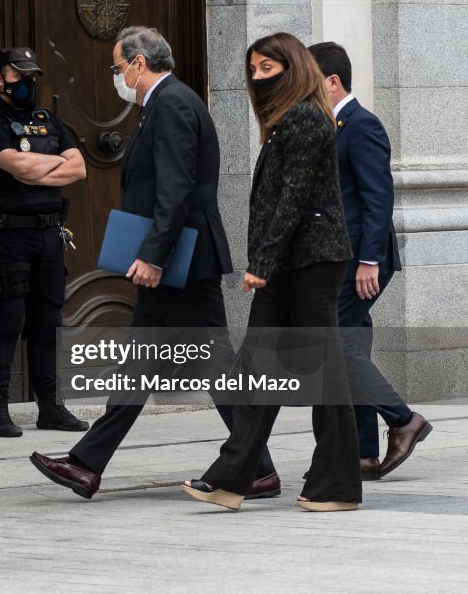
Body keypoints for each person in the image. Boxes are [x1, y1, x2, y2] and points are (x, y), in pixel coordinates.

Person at [30, 26, 277, 500]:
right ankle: (86, 464)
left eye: (118, 68)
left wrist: (153, 255)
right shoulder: (161, 105)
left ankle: (257, 467)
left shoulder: (174, 104)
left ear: (139, 64)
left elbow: (176, 188)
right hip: (172, 259)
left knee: (214, 364)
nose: (117, 77)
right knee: (138, 365)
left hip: (182, 259)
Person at [183, 32, 361, 512]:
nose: (260, 78)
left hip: (310, 262)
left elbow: (294, 199)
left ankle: (337, 484)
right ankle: (233, 477)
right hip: (289, 262)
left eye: (269, 68)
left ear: (294, 68)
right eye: (255, 70)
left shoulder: (304, 119)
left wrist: (261, 263)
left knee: (324, 373)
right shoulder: (287, 121)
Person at [308, 42, 431, 479]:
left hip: (361, 260)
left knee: (333, 343)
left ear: (333, 81)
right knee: (349, 344)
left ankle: (402, 420)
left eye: (309, 82)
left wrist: (369, 261)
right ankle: (360, 453)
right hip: (339, 258)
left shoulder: (362, 125)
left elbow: (379, 199)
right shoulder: (329, 125)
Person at [0, 46, 90, 437]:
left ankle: (50, 406)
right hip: (8, 236)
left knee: (48, 321)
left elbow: (81, 168)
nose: (27, 83)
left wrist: (36, 172)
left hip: (49, 234)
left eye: (32, 75)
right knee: (7, 319)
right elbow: (16, 165)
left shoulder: (47, 119)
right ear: (0, 79)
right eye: (19, 76)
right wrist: (52, 163)